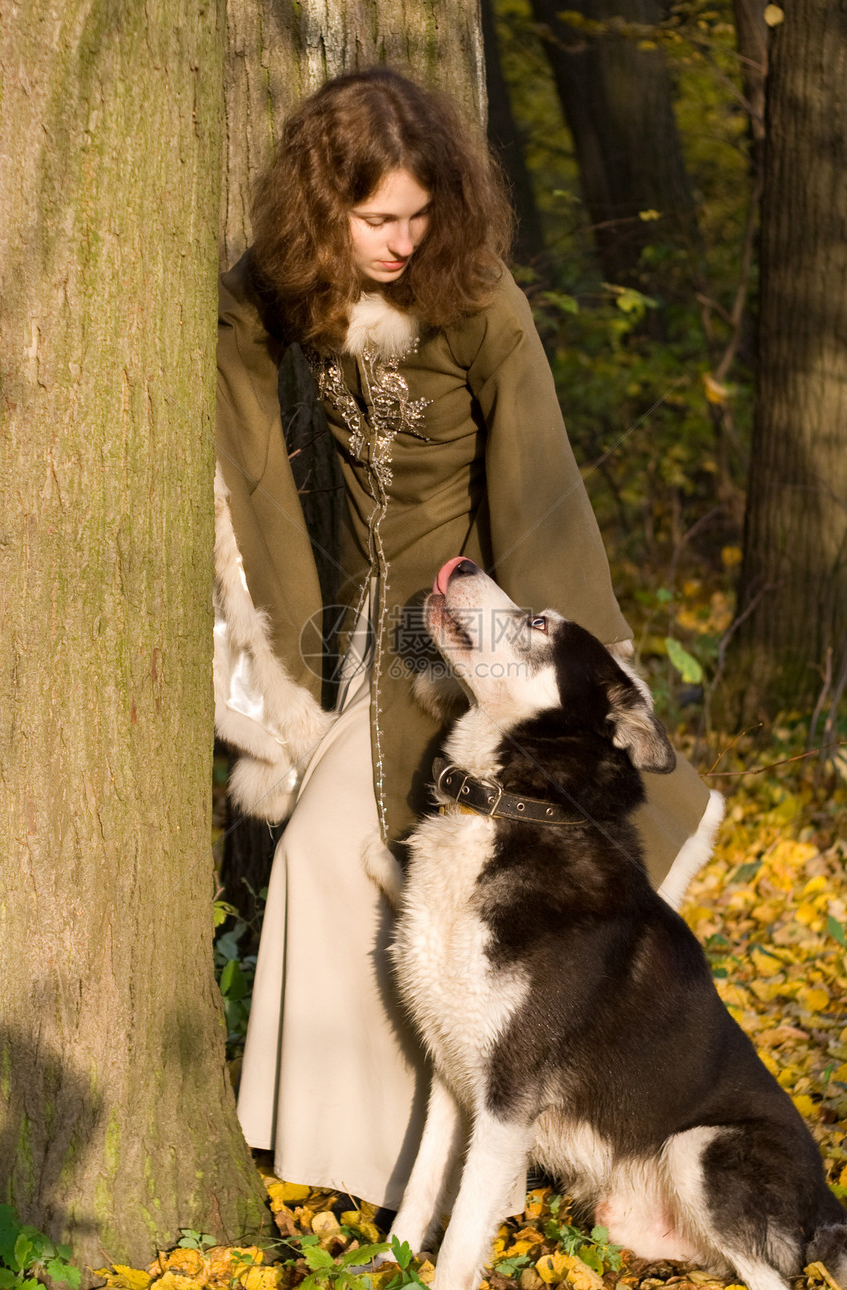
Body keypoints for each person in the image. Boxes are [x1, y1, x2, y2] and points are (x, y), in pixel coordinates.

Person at [213, 66, 722, 1211]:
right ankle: (353, 1159)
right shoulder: (295, 284)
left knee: (370, 864)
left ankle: (430, 1166)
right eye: (374, 218)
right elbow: (232, 328)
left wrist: (536, 670)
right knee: (341, 866)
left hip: (461, 639)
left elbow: (540, 490)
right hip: (355, 627)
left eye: (416, 214)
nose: (399, 242)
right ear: (322, 210)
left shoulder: (478, 300)